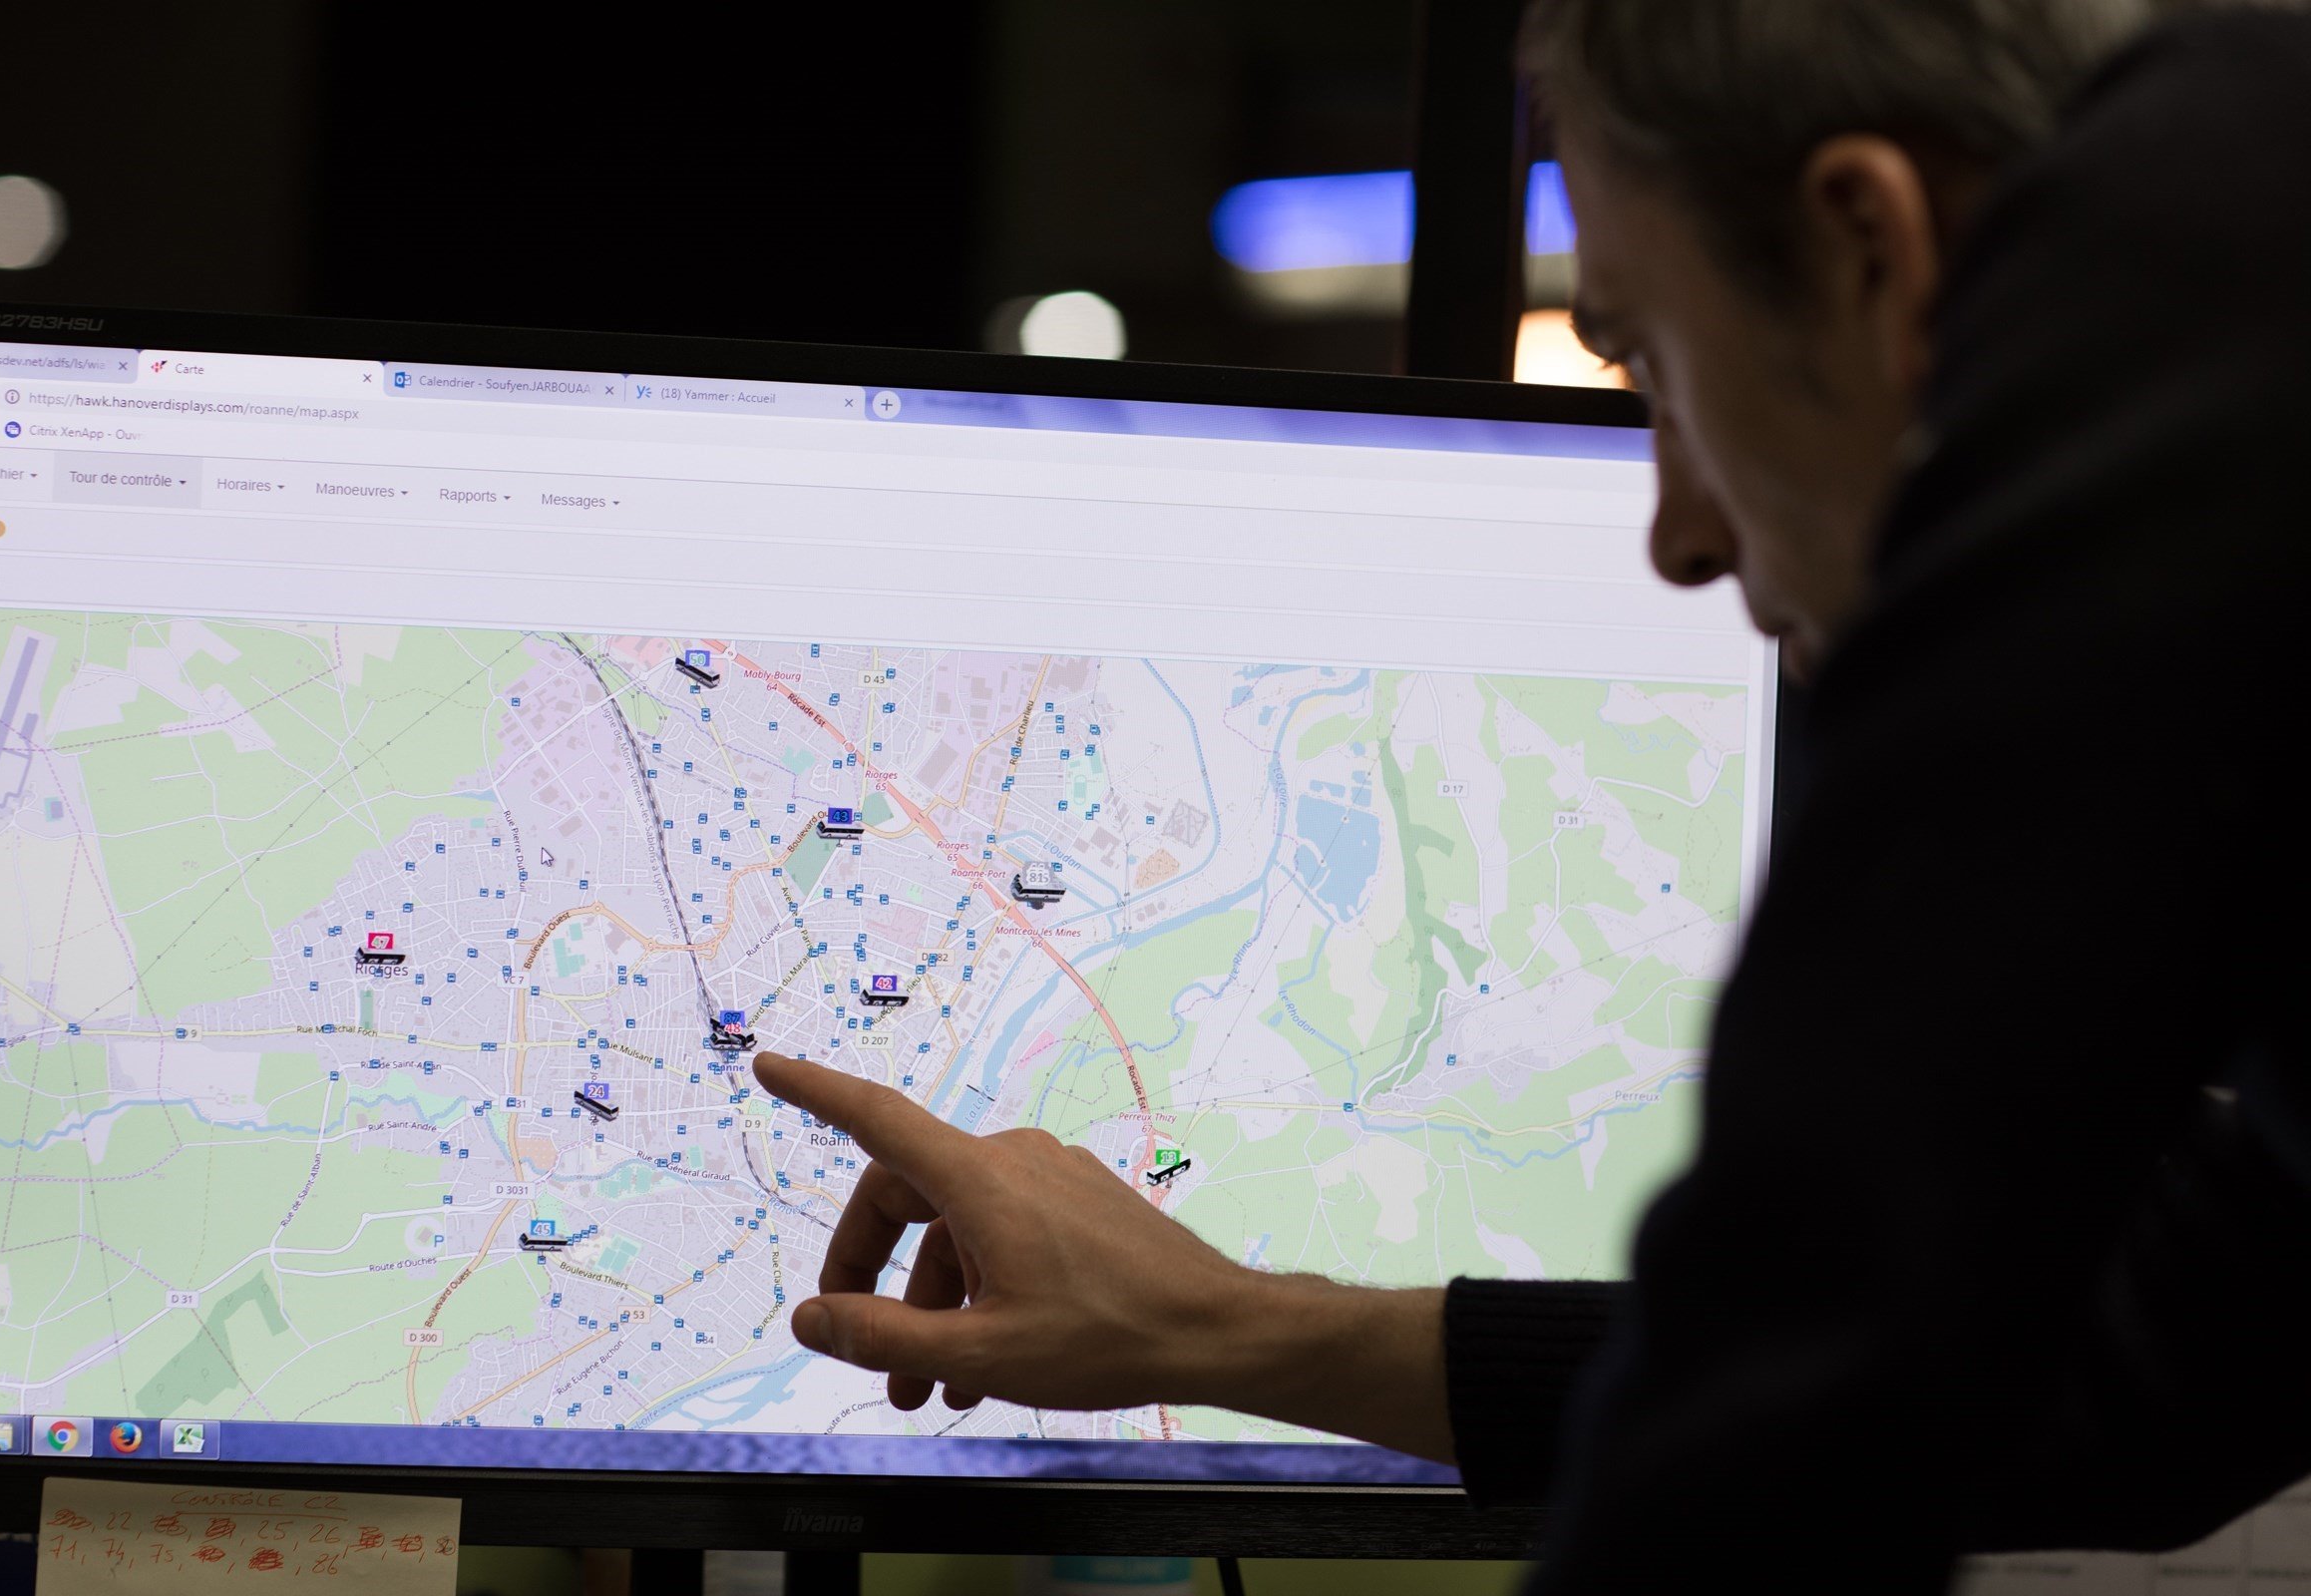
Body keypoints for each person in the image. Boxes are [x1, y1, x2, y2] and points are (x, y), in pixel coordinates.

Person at [753, 0, 2311, 1587]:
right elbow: (2169, 1356)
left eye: (1653, 369)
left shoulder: (2186, 343)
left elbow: (1811, 1375)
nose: (1678, 538)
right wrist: (1220, 1329)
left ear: (1868, 247)